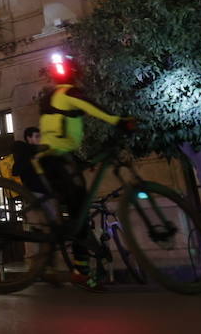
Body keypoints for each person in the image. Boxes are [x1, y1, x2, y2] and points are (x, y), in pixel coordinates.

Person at [37, 52, 135, 290]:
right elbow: (91, 107)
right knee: (77, 212)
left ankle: (80, 269)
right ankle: (71, 266)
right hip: (55, 160)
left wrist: (80, 159)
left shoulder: (57, 96)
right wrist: (118, 120)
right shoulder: (67, 94)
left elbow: (63, 135)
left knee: (78, 215)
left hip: (62, 157)